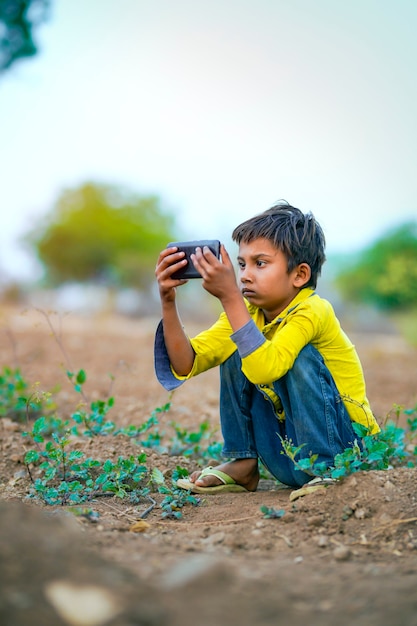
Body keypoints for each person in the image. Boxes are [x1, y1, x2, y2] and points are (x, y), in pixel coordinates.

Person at [154, 201, 379, 493]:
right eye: (242, 264)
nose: (246, 275)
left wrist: (231, 298)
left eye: (260, 264)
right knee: (240, 344)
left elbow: (266, 369)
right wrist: (168, 301)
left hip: (346, 452)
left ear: (300, 275)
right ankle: (243, 464)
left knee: (296, 356)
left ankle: (327, 471)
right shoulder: (247, 312)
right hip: (291, 457)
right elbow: (185, 363)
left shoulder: (312, 310)